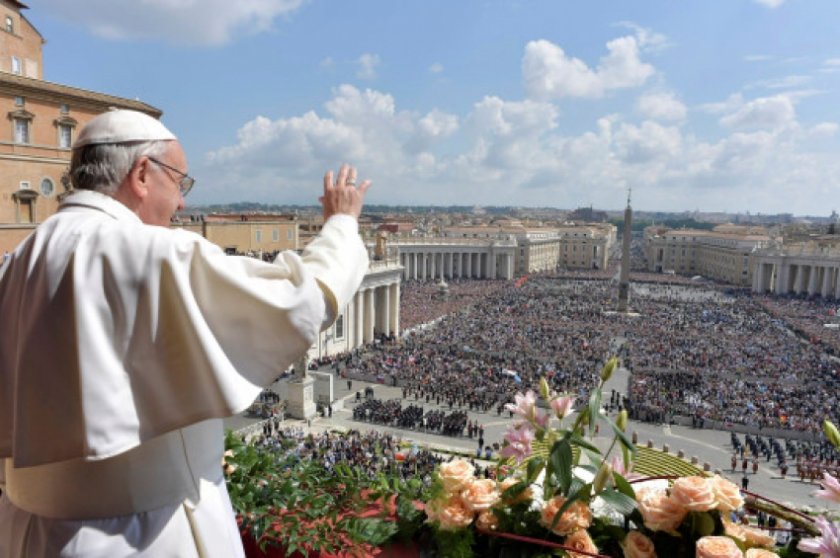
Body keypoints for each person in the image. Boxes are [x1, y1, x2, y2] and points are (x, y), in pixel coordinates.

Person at [0, 110, 371, 557]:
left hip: (26, 534)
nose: (181, 205)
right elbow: (300, 301)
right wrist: (343, 224)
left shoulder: (18, 261)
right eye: (180, 183)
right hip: (143, 537)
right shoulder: (153, 252)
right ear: (141, 174)